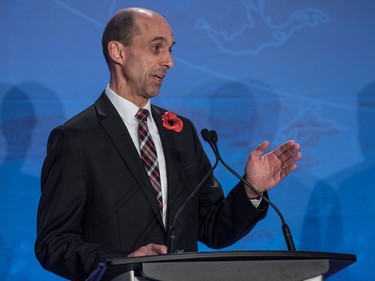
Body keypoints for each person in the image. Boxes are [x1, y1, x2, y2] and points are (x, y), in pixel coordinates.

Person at [35, 7, 302, 281]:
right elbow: (54, 243)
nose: (169, 61)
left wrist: (251, 189)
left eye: (170, 49)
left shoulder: (180, 131)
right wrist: (118, 265)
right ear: (118, 52)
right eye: (156, 48)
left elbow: (211, 227)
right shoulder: (76, 138)